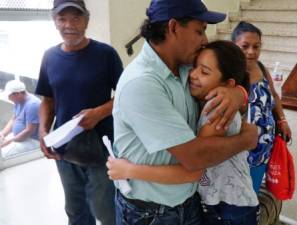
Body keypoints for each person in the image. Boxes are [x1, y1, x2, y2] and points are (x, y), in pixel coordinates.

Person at [111, 0, 258, 224]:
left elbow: (240, 70)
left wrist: (238, 92)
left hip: (190, 201)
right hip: (151, 212)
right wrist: (246, 139)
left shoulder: (188, 67)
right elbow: (195, 159)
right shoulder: (142, 83)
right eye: (199, 31)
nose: (205, 40)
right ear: (173, 27)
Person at [35, 0, 123, 225]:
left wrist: (98, 113)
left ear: (87, 20)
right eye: (62, 18)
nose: (69, 24)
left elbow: (125, 97)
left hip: (101, 149)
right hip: (64, 150)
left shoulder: (106, 54)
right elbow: (48, 99)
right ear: (54, 21)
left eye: (76, 17)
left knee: (106, 212)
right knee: (75, 211)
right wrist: (43, 131)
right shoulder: (49, 57)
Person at [232, 21, 293, 193]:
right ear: (234, 46)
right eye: (245, 46)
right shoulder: (230, 74)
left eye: (256, 46)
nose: (251, 52)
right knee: (237, 195)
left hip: (264, 147)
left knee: (253, 191)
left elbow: (273, 95)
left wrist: (282, 120)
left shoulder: (261, 68)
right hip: (240, 150)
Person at [0, 79, 40, 157]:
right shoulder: (18, 101)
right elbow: (13, 119)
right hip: (18, 137)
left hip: (31, 140)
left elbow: (29, 131)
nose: (8, 99)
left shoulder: (33, 105)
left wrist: (9, 141)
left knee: (2, 154)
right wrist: (2, 134)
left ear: (17, 94)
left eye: (9, 96)